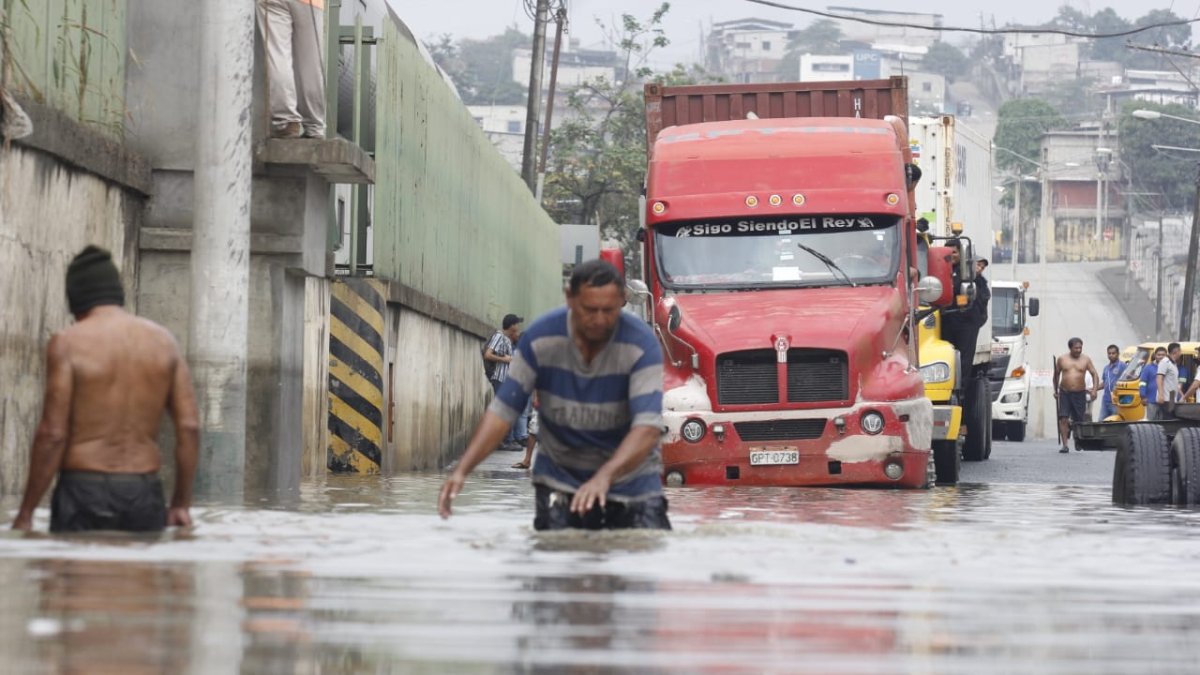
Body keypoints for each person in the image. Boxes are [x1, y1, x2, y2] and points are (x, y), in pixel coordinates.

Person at [439, 259, 670, 530]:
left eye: (608, 311)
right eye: (589, 310)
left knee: (644, 557)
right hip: (560, 481)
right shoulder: (540, 338)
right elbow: (503, 411)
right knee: (554, 560)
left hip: (633, 483)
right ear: (570, 299)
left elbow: (647, 427)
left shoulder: (641, 344)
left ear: (621, 303)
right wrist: (463, 469)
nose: (599, 320)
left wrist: (603, 477)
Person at [11, 246, 199, 533]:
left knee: (75, 574)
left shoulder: (68, 343)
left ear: (76, 299)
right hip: (143, 491)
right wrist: (180, 505)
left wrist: (26, 512)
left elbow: (52, 433)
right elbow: (189, 428)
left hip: (83, 488)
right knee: (140, 576)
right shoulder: (164, 342)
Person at [258, 0, 326, 139]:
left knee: (278, 55)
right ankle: (315, 127)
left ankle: (286, 121)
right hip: (312, 4)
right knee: (310, 63)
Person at [484, 314, 525, 450]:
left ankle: (507, 439)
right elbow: (488, 354)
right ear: (512, 325)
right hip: (500, 378)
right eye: (517, 324)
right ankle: (504, 441)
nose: (518, 326)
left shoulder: (507, 339)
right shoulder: (499, 336)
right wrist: (505, 359)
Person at [1053, 337, 1099, 453]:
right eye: (1076, 348)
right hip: (1065, 392)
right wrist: (1056, 391)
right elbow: (1056, 375)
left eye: (1080, 348)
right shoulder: (1062, 359)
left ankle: (1078, 440)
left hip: (1079, 393)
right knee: (1063, 418)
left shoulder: (1086, 360)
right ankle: (1065, 445)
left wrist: (1094, 390)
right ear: (1070, 348)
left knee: (1079, 419)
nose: (1078, 350)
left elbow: (1095, 374)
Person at [1156, 342, 1183, 419]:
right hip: (1166, 398)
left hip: (1171, 396)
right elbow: (1159, 378)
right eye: (1180, 351)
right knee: (1167, 419)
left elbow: (1174, 382)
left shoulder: (1173, 364)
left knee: (1172, 418)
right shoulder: (1165, 362)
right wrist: (1161, 395)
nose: (1180, 353)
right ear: (1176, 352)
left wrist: (1182, 395)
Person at [1098, 344, 1124, 421]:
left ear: (1118, 354)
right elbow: (1104, 383)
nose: (1111, 355)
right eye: (1109, 353)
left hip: (1116, 402)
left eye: (1113, 353)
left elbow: (1130, 377)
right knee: (1101, 421)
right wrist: (1094, 389)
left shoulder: (1122, 366)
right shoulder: (1106, 368)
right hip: (1106, 400)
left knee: (1113, 422)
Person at [1140, 347, 1164, 421]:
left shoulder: (1168, 368)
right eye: (1159, 354)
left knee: (1164, 422)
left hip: (1164, 401)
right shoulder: (1148, 368)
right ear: (1155, 355)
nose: (1161, 356)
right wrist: (1143, 396)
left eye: (1163, 355)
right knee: (1151, 422)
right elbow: (1143, 382)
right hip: (1151, 400)